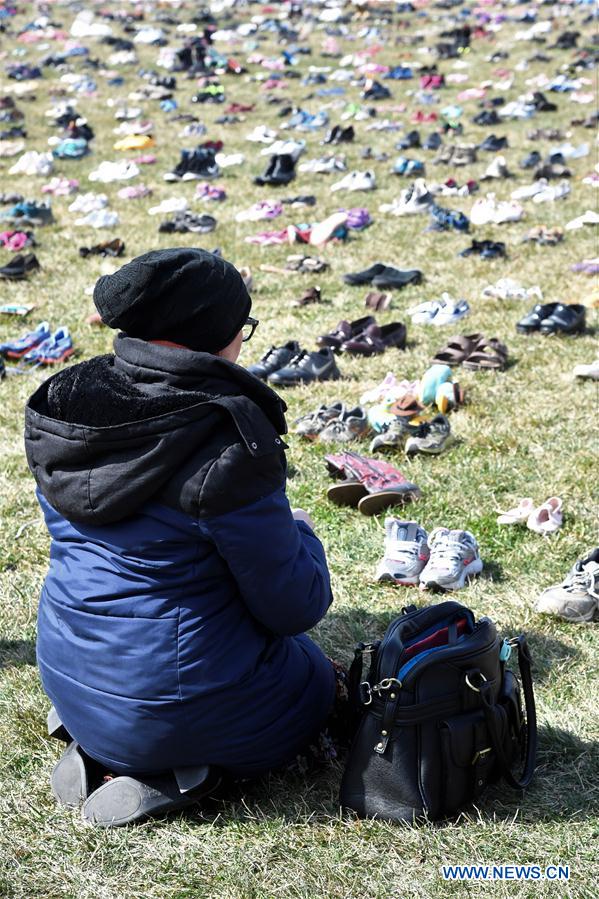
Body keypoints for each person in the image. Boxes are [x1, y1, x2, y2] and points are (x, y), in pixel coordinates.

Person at [24, 248, 337, 825]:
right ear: (212, 331)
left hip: (65, 667)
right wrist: (305, 539)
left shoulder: (62, 399)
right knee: (313, 677)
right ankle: (173, 763)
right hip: (182, 701)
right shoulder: (225, 435)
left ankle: (105, 737)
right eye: (243, 328)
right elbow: (294, 605)